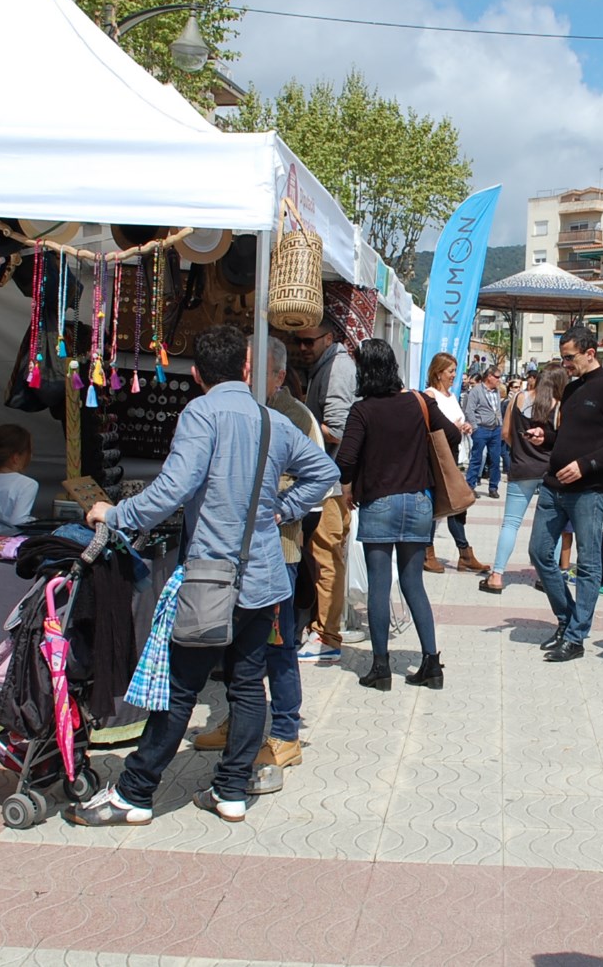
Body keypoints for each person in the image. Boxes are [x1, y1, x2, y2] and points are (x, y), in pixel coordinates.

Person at [68, 325, 337, 826]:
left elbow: (174, 488)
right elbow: (324, 472)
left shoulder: (201, 412)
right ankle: (232, 790)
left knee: (180, 686)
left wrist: (116, 514)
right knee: (248, 685)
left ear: (195, 375)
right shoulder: (270, 419)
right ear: (244, 368)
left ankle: (135, 793)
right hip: (263, 577)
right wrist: (282, 508)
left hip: (210, 578)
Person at [192, 337, 321, 773]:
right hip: (234, 552)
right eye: (243, 366)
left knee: (278, 644)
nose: (244, 376)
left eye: (254, 369)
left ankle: (285, 731)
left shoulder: (294, 417)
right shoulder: (239, 409)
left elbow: (319, 479)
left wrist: (280, 505)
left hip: (277, 550)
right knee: (239, 646)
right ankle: (241, 720)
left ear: (279, 376)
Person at [335, 338, 463, 691]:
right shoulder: (419, 402)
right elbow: (451, 434)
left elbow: (345, 458)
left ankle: (380, 668)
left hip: (380, 503)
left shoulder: (363, 410)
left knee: (380, 584)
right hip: (419, 501)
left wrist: (348, 485)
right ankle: (431, 664)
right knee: (413, 584)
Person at [527, 325, 603, 663]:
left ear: (591, 353)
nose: (565, 364)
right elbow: (567, 436)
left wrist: (588, 464)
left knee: (589, 565)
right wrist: (544, 437)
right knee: (539, 552)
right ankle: (567, 618)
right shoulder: (573, 388)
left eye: (570, 357)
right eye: (562, 358)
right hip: (553, 487)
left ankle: (575, 637)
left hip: (588, 492)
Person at [293, 320, 357, 665]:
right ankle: (323, 628)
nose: (303, 347)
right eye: (298, 342)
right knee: (322, 557)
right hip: (326, 482)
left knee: (326, 556)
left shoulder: (337, 368)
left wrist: (298, 425)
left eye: (309, 341)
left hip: (330, 484)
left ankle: (328, 636)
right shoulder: (327, 366)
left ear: (329, 338)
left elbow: (340, 430)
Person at [482, 363, 567, 595]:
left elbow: (506, 434)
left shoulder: (518, 398)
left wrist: (521, 450)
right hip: (550, 470)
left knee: (510, 523)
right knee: (553, 526)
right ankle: (547, 577)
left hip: (521, 468)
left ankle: (497, 575)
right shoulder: (560, 406)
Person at [423, 352, 488, 575]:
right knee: (439, 505)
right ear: (438, 372)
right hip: (439, 458)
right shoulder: (429, 395)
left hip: (455, 456)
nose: (454, 375)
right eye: (450, 371)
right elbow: (431, 427)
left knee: (457, 505)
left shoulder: (451, 396)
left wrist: (465, 426)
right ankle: (429, 552)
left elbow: (456, 422)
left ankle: (464, 554)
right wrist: (454, 427)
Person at [463, 365, 505, 498]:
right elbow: (470, 410)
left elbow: (497, 409)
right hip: (481, 429)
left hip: (495, 429)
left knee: (495, 459)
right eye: (497, 377)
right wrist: (475, 427)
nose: (499, 380)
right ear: (489, 377)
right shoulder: (476, 391)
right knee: (477, 458)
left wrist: (500, 425)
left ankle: (493, 487)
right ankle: (470, 485)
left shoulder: (496, 391)